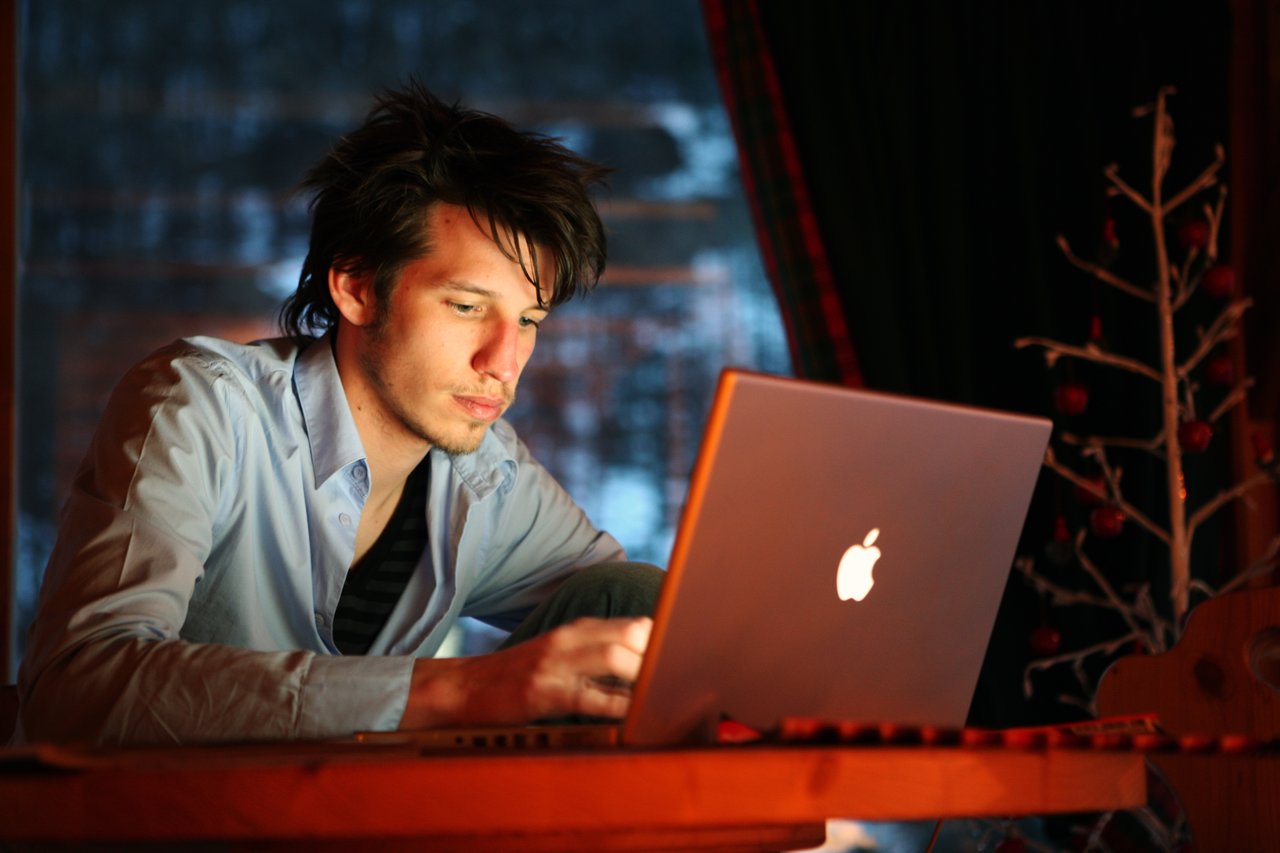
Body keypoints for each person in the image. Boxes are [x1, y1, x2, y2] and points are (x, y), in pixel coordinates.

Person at [16, 81, 664, 745]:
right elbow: (75, 690)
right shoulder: (201, 406)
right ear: (356, 288)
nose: (503, 361)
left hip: (362, 806)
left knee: (631, 601)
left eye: (528, 321)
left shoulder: (487, 475)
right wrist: (464, 690)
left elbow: (644, 614)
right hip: (174, 807)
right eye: (467, 307)